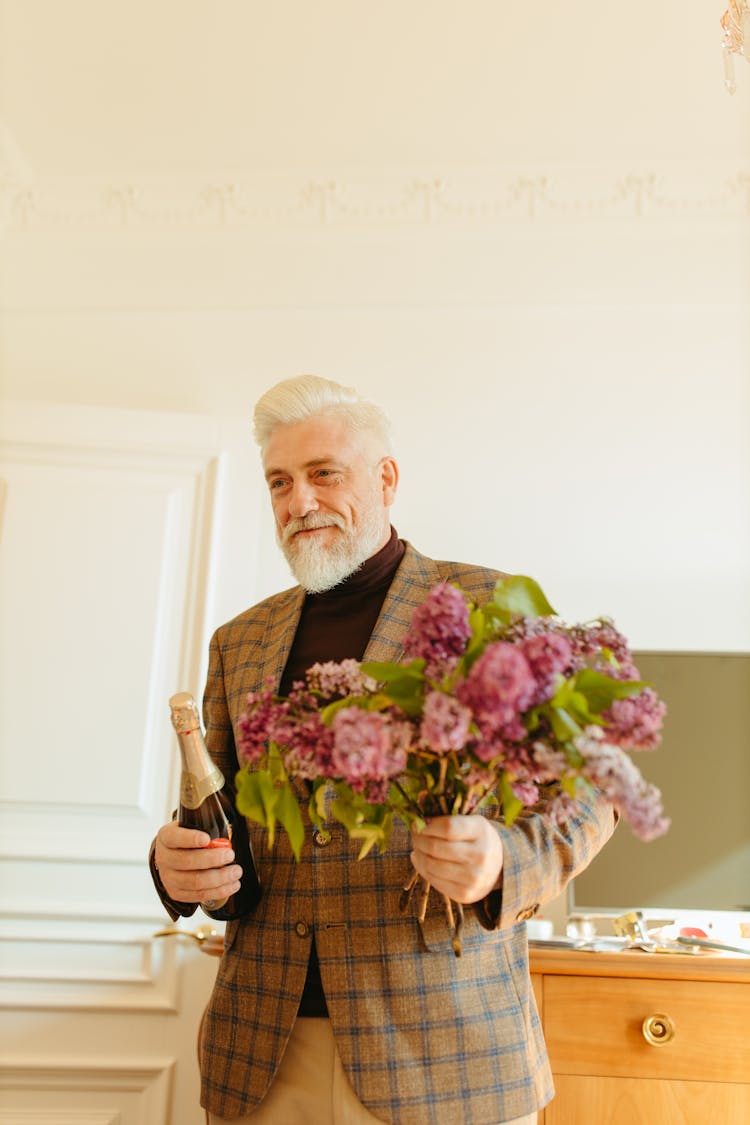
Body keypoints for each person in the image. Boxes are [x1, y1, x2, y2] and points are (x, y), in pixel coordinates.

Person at [150, 374, 616, 1125]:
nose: (299, 501)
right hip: (262, 1060)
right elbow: (216, 816)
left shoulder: (491, 606)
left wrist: (503, 860)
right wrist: (174, 868)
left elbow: (592, 794)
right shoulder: (238, 640)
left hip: (447, 1061)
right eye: (279, 481)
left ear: (387, 478)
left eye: (323, 473)